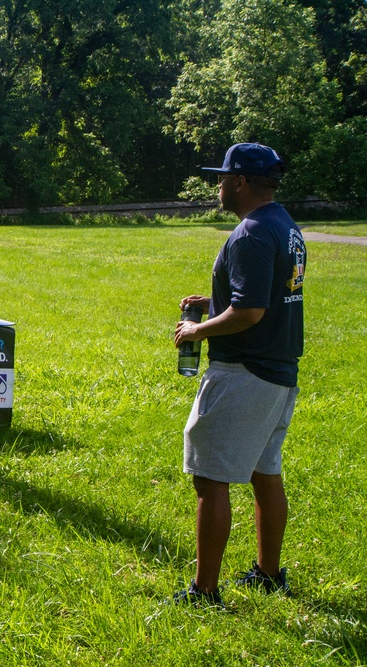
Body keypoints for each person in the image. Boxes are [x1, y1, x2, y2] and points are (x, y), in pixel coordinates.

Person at [173, 143, 306, 606]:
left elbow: (249, 312)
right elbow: (263, 295)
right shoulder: (284, 225)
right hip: (278, 369)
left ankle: (203, 592)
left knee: (210, 477)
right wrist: (216, 305)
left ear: (242, 182)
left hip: (244, 371)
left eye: (224, 177)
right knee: (263, 471)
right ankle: (270, 574)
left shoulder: (250, 232)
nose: (219, 184)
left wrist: (198, 328)